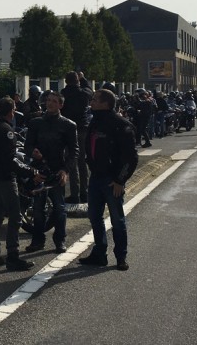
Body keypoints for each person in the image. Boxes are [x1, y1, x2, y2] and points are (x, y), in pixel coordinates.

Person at [79, 88, 138, 271]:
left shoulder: (121, 124)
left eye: (95, 100)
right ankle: (99, 254)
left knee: (117, 220)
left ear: (106, 103)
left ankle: (121, 257)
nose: (92, 103)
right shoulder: (94, 122)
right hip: (95, 178)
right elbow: (89, 147)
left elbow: (131, 157)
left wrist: (120, 180)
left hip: (112, 180)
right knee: (95, 217)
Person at [0, 97, 36, 271]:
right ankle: (13, 256)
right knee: (15, 217)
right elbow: (10, 160)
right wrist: (30, 172)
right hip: (5, 178)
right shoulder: (7, 130)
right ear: (11, 111)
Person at [24, 91, 78, 254]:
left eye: (54, 101)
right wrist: (32, 152)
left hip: (57, 171)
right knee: (38, 209)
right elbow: (27, 145)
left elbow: (74, 151)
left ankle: (60, 240)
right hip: (39, 170)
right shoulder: (35, 123)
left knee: (59, 208)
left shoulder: (69, 125)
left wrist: (65, 170)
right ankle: (38, 240)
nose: (50, 104)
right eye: (48, 100)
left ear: (61, 105)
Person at [59, 71, 92, 214]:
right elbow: (90, 90)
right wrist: (83, 77)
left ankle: (74, 194)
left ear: (66, 81)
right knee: (82, 161)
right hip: (83, 128)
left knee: (71, 161)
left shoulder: (63, 93)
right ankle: (85, 192)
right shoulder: (84, 93)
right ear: (77, 81)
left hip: (68, 129)